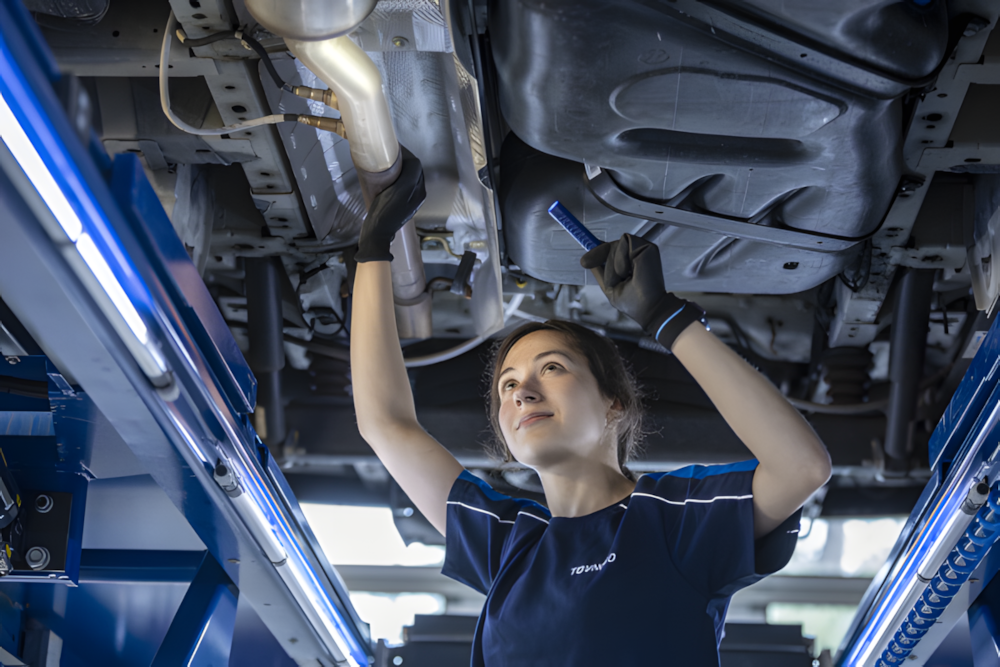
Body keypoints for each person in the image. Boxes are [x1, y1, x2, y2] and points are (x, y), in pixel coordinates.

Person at [350, 149, 832, 666]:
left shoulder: (672, 522)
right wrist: (374, 246)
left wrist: (666, 318)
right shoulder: (510, 544)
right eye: (507, 385)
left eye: (551, 368)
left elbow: (801, 467)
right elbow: (387, 423)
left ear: (614, 405)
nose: (521, 392)